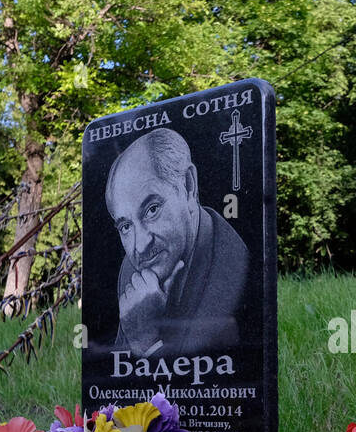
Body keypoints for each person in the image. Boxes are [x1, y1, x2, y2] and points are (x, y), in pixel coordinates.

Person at [106, 127, 249, 356]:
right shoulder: (130, 271)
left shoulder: (237, 270)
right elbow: (117, 380)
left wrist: (145, 342)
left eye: (152, 210)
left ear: (188, 188)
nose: (140, 245)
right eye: (125, 226)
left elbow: (203, 384)